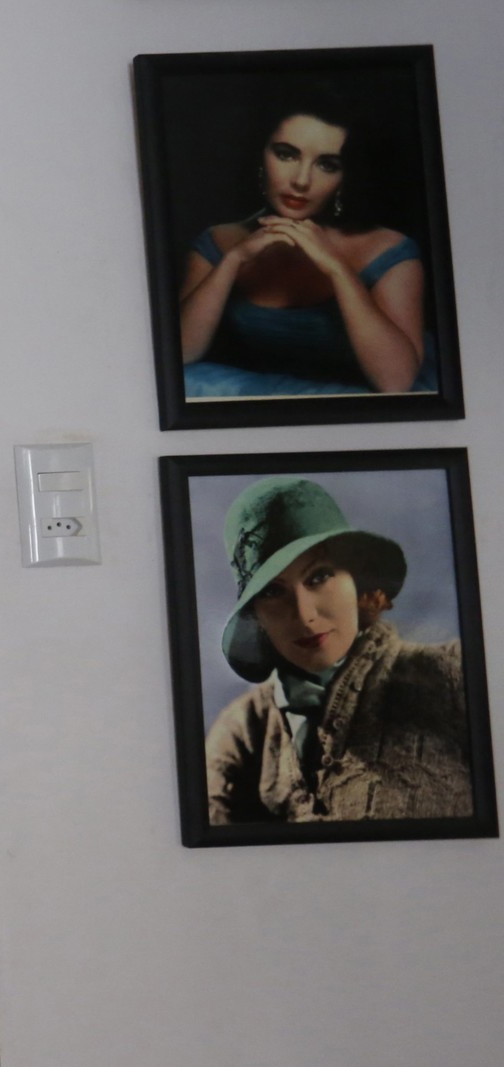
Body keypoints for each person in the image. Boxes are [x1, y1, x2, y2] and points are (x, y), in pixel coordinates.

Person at [205, 477, 472, 824]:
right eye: (273, 591)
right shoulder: (242, 731)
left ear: (357, 580)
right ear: (256, 614)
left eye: (318, 577)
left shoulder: (459, 674)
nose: (304, 615)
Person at [178, 89, 433, 398]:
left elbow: (395, 383)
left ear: (346, 176)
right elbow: (181, 355)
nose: (301, 180)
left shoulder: (390, 251)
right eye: (286, 154)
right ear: (261, 156)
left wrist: (338, 270)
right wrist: (233, 261)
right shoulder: (218, 241)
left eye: (327, 165)